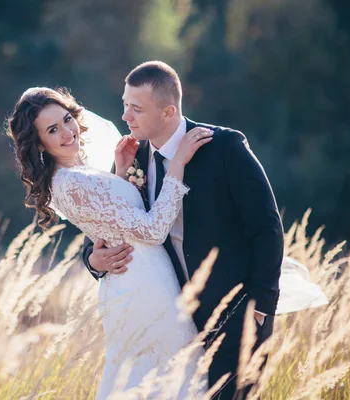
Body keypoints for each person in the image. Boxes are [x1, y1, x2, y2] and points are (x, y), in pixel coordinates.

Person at [82, 61, 285, 399]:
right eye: (124, 104)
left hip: (234, 316)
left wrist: (261, 306)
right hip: (167, 327)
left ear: (168, 111)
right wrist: (94, 261)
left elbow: (266, 228)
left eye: (136, 108)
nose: (125, 117)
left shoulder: (224, 148)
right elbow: (95, 238)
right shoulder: (129, 158)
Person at [7, 85, 214, 399]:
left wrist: (119, 171)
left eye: (66, 119)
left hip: (146, 282)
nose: (67, 132)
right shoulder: (70, 182)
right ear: (39, 144)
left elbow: (113, 221)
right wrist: (178, 164)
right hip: (142, 291)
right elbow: (152, 231)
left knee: (163, 382)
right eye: (52, 130)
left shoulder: (80, 173)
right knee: (165, 382)